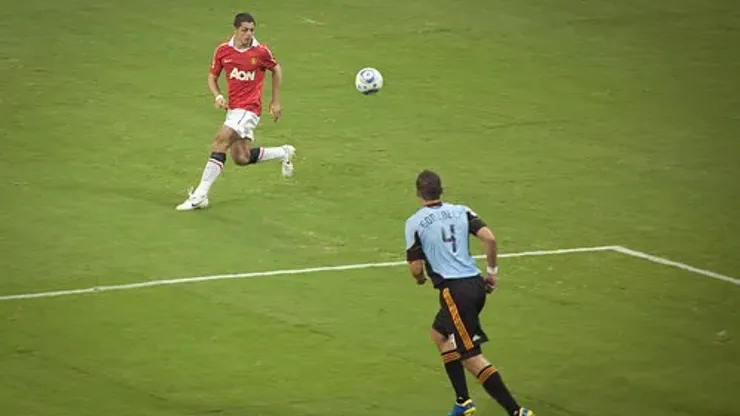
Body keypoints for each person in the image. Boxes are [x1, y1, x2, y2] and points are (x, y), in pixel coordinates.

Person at [404, 169, 535, 416]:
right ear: (441, 190)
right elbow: (489, 238)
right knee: (439, 335)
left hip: (455, 293)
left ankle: (517, 411)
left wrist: (420, 279)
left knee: (470, 356)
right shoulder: (462, 211)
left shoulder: (415, 222)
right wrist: (492, 272)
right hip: (475, 285)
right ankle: (463, 402)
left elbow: (415, 267)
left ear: (418, 193)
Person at [177, 12, 295, 211]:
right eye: (244, 30)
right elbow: (212, 77)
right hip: (233, 110)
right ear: (235, 30)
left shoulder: (260, 52)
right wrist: (218, 96)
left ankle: (200, 195)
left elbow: (276, 69)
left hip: (249, 109)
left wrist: (275, 101)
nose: (248, 34)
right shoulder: (223, 51)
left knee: (220, 141)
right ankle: (283, 152)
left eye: (251, 30)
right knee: (241, 157)